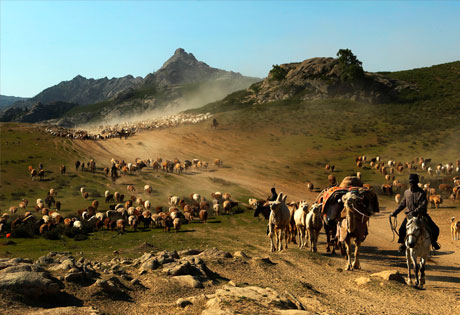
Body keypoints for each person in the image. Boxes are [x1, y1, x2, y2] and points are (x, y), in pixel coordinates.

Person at [390, 174, 440, 252]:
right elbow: (403, 204)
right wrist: (395, 212)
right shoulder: (406, 192)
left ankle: (433, 242)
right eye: (411, 182)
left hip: (421, 216)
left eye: (414, 182)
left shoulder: (422, 193)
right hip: (409, 217)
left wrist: (415, 212)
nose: (412, 184)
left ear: (417, 182)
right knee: (401, 230)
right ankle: (403, 244)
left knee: (435, 229)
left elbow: (423, 205)